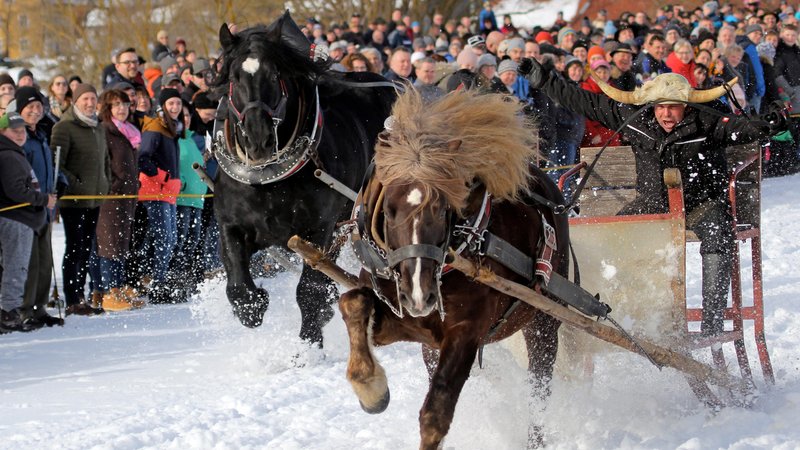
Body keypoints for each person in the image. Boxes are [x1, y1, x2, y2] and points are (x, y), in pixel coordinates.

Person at [519, 57, 788, 336]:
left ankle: (712, 323)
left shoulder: (707, 120)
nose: (666, 114)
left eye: (673, 107)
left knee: (718, 236)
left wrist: (768, 123)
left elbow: (740, 128)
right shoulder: (635, 118)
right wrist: (543, 79)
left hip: (702, 205)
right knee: (609, 240)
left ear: (686, 106)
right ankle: (624, 317)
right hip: (651, 207)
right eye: (660, 107)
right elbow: (585, 101)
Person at [51, 83, 109, 316]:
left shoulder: (98, 127)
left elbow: (105, 160)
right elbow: (57, 163)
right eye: (85, 98)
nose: (90, 103)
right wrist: (76, 184)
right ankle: (72, 298)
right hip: (74, 199)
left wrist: (105, 182)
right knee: (74, 248)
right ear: (75, 101)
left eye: (93, 98)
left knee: (86, 248)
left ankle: (81, 296)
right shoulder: (64, 127)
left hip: (94, 198)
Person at [0, 112, 56, 333]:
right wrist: (44, 200)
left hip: (20, 219)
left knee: (15, 267)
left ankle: (9, 312)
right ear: (3, 132)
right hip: (15, 219)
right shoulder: (8, 155)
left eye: (22, 130)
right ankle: (9, 314)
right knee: (16, 267)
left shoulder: (14, 152)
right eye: (14, 131)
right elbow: (16, 190)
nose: (20, 134)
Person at [15, 87, 64, 327]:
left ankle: (39, 306)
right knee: (30, 261)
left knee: (45, 259)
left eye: (38, 107)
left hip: (46, 206)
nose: (35, 111)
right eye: (30, 107)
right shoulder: (18, 136)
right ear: (19, 109)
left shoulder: (41, 135)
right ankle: (24, 310)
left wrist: (60, 181)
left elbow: (50, 166)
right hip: (27, 208)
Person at [94, 89, 145, 311]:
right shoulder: (106, 130)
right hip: (111, 198)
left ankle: (119, 288)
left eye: (124, 104)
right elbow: (102, 163)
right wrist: (112, 187)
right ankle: (108, 292)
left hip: (128, 198)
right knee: (109, 245)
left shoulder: (129, 131)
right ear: (108, 108)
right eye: (116, 105)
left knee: (121, 244)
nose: (122, 108)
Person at [137, 88, 183, 304]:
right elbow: (143, 159)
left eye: (178, 103)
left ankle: (160, 281)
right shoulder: (155, 127)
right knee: (164, 239)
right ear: (162, 106)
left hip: (168, 192)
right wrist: (162, 177)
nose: (175, 107)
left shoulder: (172, 129)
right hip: (154, 191)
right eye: (171, 103)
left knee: (171, 238)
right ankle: (156, 284)